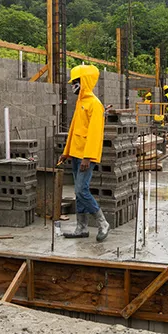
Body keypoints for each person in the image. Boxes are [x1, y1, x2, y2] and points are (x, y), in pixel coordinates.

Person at [57, 64, 110, 242]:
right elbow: (74, 130)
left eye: (75, 82)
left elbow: (95, 134)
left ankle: (103, 223)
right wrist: (66, 152)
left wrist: (88, 157)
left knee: (81, 190)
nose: (73, 86)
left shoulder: (95, 104)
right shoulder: (81, 102)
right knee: (78, 192)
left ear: (84, 82)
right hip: (76, 154)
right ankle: (81, 227)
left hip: (86, 157)